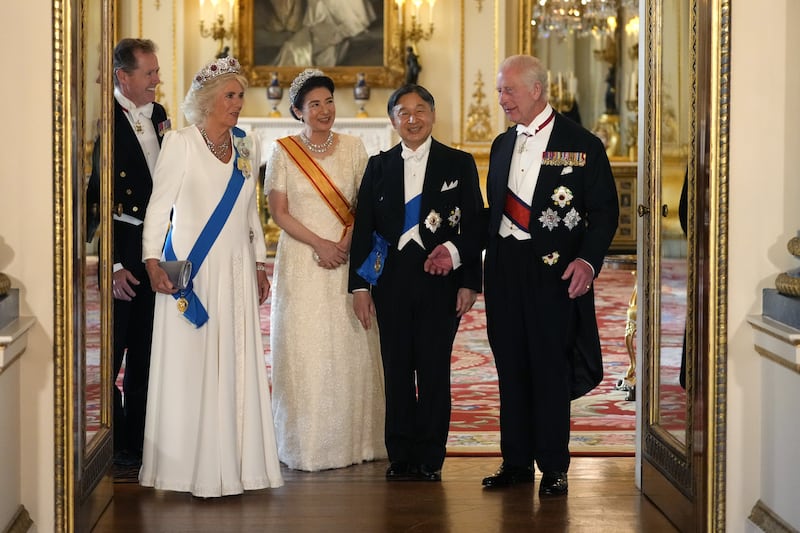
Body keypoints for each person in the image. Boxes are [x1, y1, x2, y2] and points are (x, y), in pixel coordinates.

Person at [139, 56, 283, 497]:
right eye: (230, 96)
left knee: (235, 361)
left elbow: (250, 212)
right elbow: (160, 206)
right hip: (192, 272)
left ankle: (238, 463)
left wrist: (260, 262)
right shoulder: (180, 142)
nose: (238, 103)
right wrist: (150, 260)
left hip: (236, 268)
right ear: (206, 102)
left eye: (240, 95)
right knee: (191, 363)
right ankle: (186, 468)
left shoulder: (245, 144)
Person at [481, 55, 619, 496]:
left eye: (509, 90)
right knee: (511, 364)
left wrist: (588, 261)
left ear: (537, 90)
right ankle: (516, 462)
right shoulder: (502, 145)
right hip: (504, 269)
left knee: (549, 367)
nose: (501, 99)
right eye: (500, 90)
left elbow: (604, 214)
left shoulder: (582, 145)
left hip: (555, 273)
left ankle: (555, 466)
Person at [348, 84, 484, 482]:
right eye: (403, 112)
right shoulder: (379, 166)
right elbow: (364, 230)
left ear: (433, 114)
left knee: (433, 369)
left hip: (440, 279)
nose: (412, 118)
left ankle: (430, 456)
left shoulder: (457, 163)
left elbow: (474, 223)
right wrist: (359, 287)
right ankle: (401, 453)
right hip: (390, 282)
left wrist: (469, 280)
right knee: (396, 368)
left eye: (420, 109)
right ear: (392, 121)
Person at [264, 68, 386, 471]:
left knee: (348, 341)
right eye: (314, 104)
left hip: (345, 257)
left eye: (329, 102)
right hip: (302, 258)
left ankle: (358, 440)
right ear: (298, 111)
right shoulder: (283, 151)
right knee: (305, 344)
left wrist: (345, 244)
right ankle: (305, 441)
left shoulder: (354, 147)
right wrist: (320, 244)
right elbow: (278, 212)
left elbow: (364, 207)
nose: (324, 110)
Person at [85, 38, 170, 468]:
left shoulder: (158, 115)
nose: (157, 80)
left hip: (155, 246)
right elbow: (98, 201)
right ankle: (115, 441)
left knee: (147, 348)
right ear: (125, 77)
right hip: (125, 251)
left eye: (156, 72)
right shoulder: (108, 122)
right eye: (149, 73)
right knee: (115, 349)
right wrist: (114, 265)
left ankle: (138, 441)